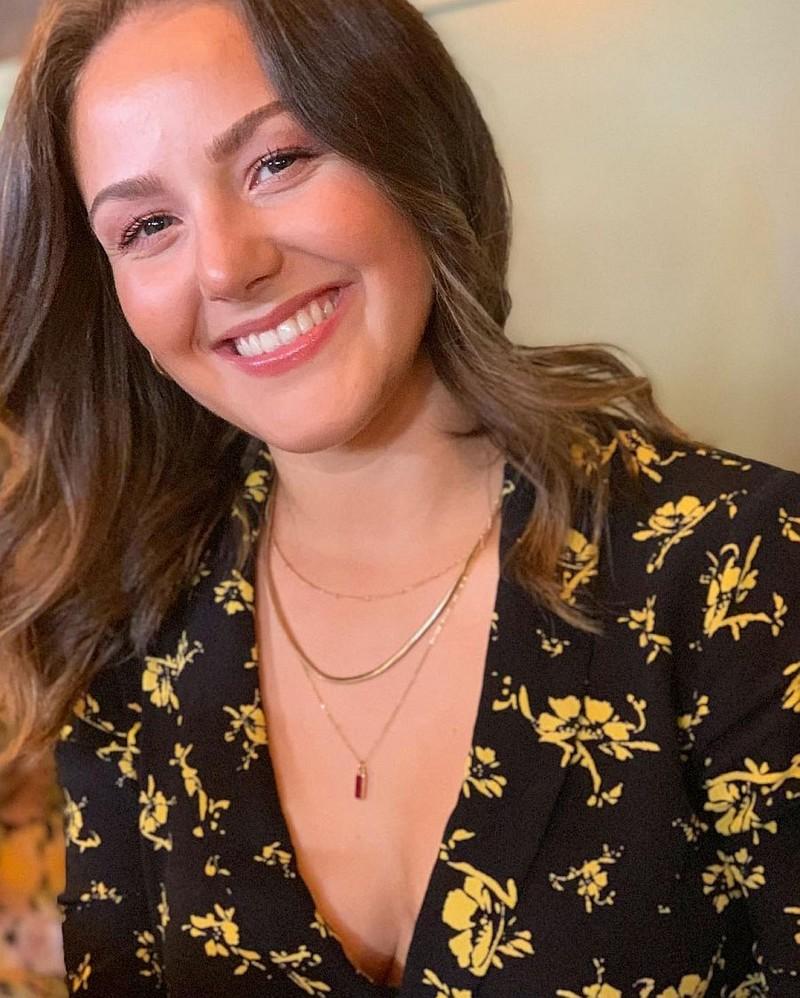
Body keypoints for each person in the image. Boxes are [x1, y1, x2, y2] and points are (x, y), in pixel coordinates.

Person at [0, 0, 798, 994]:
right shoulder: (127, 626)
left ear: (411, 145)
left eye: (277, 161)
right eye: (148, 225)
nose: (228, 266)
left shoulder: (739, 566)